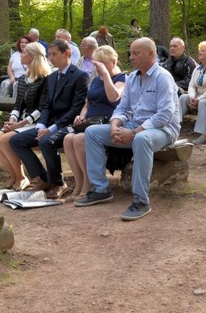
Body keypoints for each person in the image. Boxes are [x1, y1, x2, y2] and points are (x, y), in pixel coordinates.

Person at [75, 38, 180, 221]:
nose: (131, 57)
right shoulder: (132, 77)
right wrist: (115, 125)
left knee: (142, 139)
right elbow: (123, 108)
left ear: (151, 54)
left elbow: (165, 115)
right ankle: (100, 189)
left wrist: (133, 132)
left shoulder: (162, 77)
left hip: (163, 130)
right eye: (130, 53)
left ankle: (141, 201)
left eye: (136, 53)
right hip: (134, 126)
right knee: (92, 132)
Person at [9, 40, 88, 199]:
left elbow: (75, 109)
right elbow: (46, 105)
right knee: (16, 140)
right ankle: (44, 178)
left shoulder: (80, 76)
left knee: (46, 141)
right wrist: (41, 125)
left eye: (54, 54)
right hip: (50, 124)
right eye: (49, 54)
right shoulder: (52, 77)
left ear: (67, 54)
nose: (51, 58)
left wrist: (50, 129)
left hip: (69, 125)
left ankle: (59, 183)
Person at [63, 46, 126, 197]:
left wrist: (106, 74)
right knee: (67, 138)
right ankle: (79, 182)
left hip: (109, 124)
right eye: (96, 64)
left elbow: (114, 97)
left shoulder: (122, 78)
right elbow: (87, 104)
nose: (98, 67)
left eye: (101, 63)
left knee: (78, 139)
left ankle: (89, 182)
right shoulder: (96, 80)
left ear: (113, 61)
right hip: (90, 122)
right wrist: (82, 115)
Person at [0, 42, 50, 190]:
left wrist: (20, 124)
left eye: (24, 52)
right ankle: (16, 176)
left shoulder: (46, 79)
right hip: (21, 122)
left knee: (4, 140)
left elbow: (42, 108)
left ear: (33, 57)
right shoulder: (23, 79)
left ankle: (24, 177)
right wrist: (12, 120)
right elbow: (18, 105)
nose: (20, 55)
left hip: (37, 123)